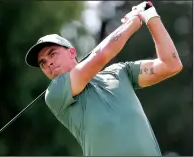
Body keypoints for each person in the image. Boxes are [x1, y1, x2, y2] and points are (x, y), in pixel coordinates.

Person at [25, 1, 183, 156]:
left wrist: (150, 15)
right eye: (43, 63)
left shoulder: (120, 72)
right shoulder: (55, 92)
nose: (49, 63)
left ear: (72, 53)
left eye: (52, 54)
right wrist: (134, 22)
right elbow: (101, 55)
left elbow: (171, 64)